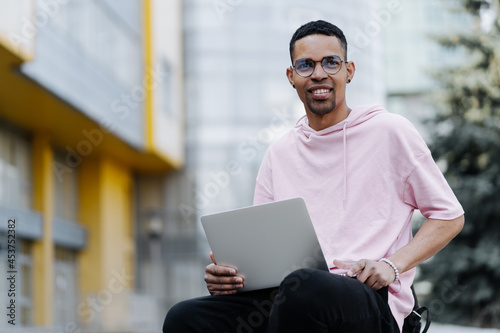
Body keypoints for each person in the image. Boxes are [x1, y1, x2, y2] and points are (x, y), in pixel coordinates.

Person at [163, 20, 465, 333]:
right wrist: (231, 277)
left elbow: (449, 216)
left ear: (349, 71)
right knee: (185, 317)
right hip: (289, 296)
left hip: (369, 299)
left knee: (304, 286)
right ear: (291, 77)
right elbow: (264, 255)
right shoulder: (279, 154)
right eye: (305, 65)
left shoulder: (391, 132)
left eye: (330, 62)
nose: (319, 73)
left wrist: (392, 265)